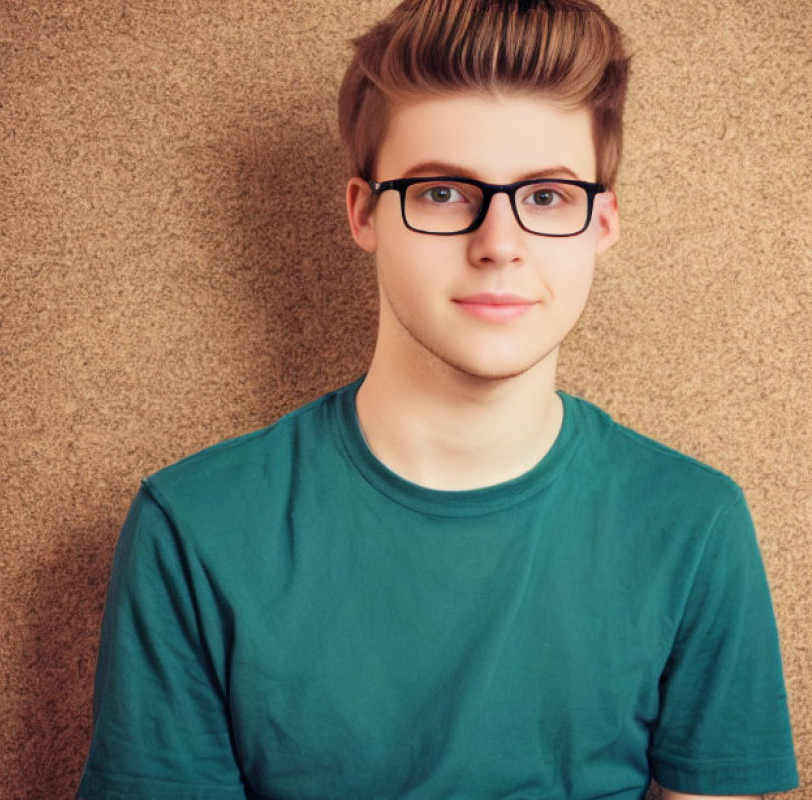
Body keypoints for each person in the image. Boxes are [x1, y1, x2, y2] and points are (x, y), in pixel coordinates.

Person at [77, 1, 798, 798]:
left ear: (603, 221)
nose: (499, 243)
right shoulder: (194, 529)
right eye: (446, 193)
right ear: (364, 213)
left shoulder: (693, 525)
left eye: (549, 196)